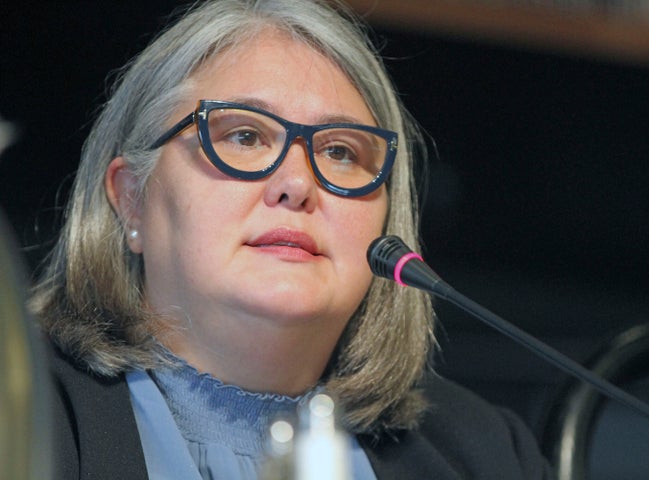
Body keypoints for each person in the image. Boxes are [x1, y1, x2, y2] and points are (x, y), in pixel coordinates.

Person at [29, 0, 552, 478]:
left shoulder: (487, 453)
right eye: (245, 136)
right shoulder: (24, 412)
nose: (297, 185)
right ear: (132, 199)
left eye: (340, 151)